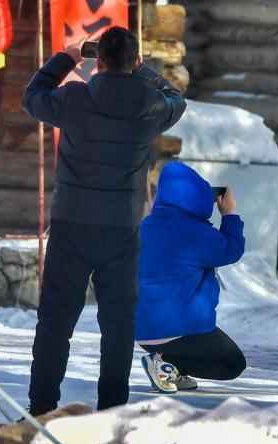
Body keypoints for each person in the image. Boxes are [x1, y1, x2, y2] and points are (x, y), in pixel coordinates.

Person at [22, 27, 186, 415]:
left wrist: (66, 58)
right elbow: (177, 100)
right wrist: (144, 72)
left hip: (72, 222)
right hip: (122, 228)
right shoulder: (150, 103)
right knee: (117, 323)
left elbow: (32, 98)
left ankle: (42, 409)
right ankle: (112, 411)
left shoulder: (75, 97)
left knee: (56, 320)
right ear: (134, 61)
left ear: (98, 60)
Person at [136, 161, 247, 393]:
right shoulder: (197, 233)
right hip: (182, 330)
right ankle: (167, 367)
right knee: (232, 364)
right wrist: (229, 213)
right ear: (199, 198)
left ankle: (166, 369)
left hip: (142, 331)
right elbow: (232, 250)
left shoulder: (145, 226)